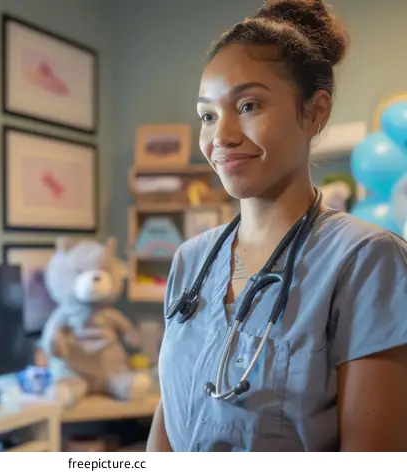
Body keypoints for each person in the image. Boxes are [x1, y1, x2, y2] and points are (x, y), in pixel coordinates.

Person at [147, 0, 407, 452]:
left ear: (315, 112)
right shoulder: (191, 261)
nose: (221, 136)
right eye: (208, 115)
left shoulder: (366, 261)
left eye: (248, 105)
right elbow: (166, 428)